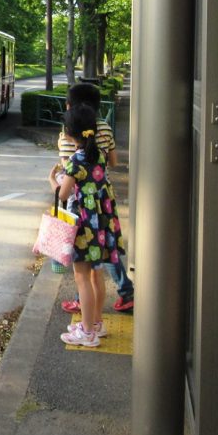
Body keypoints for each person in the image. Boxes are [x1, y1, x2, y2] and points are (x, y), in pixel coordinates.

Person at [48, 105, 126, 347]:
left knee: (82, 277)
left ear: (70, 133)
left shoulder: (75, 162)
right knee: (96, 274)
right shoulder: (98, 155)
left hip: (83, 226)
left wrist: (52, 179)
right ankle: (96, 323)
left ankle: (87, 332)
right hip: (101, 223)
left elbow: (63, 194)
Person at [58, 82, 135, 314]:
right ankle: (121, 292)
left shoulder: (66, 135)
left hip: (79, 203)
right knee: (105, 247)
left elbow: (67, 174)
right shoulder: (105, 129)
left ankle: (87, 305)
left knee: (83, 258)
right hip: (104, 197)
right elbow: (113, 162)